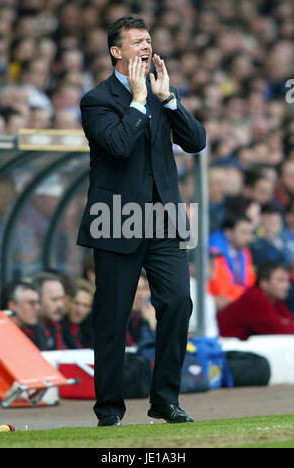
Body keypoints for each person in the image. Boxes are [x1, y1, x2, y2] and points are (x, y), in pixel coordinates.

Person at [77, 14, 206, 427]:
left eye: (148, 40)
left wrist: (168, 100)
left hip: (164, 218)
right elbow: (116, 145)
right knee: (113, 316)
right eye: (137, 42)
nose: (146, 47)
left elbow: (196, 141)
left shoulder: (159, 93)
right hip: (115, 218)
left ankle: (164, 400)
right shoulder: (96, 99)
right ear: (117, 51)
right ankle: (110, 411)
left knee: (178, 303)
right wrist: (136, 100)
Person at [218, 261, 294, 340]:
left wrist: (285, 322)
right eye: (280, 280)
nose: (287, 286)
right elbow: (279, 330)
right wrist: (284, 322)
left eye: (287, 281)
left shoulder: (274, 298)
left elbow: (289, 320)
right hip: (223, 345)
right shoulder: (254, 298)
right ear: (264, 283)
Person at [0, 281, 46, 350]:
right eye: (31, 303)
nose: (37, 308)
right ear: (12, 305)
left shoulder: (36, 331)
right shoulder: (0, 337)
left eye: (38, 303)